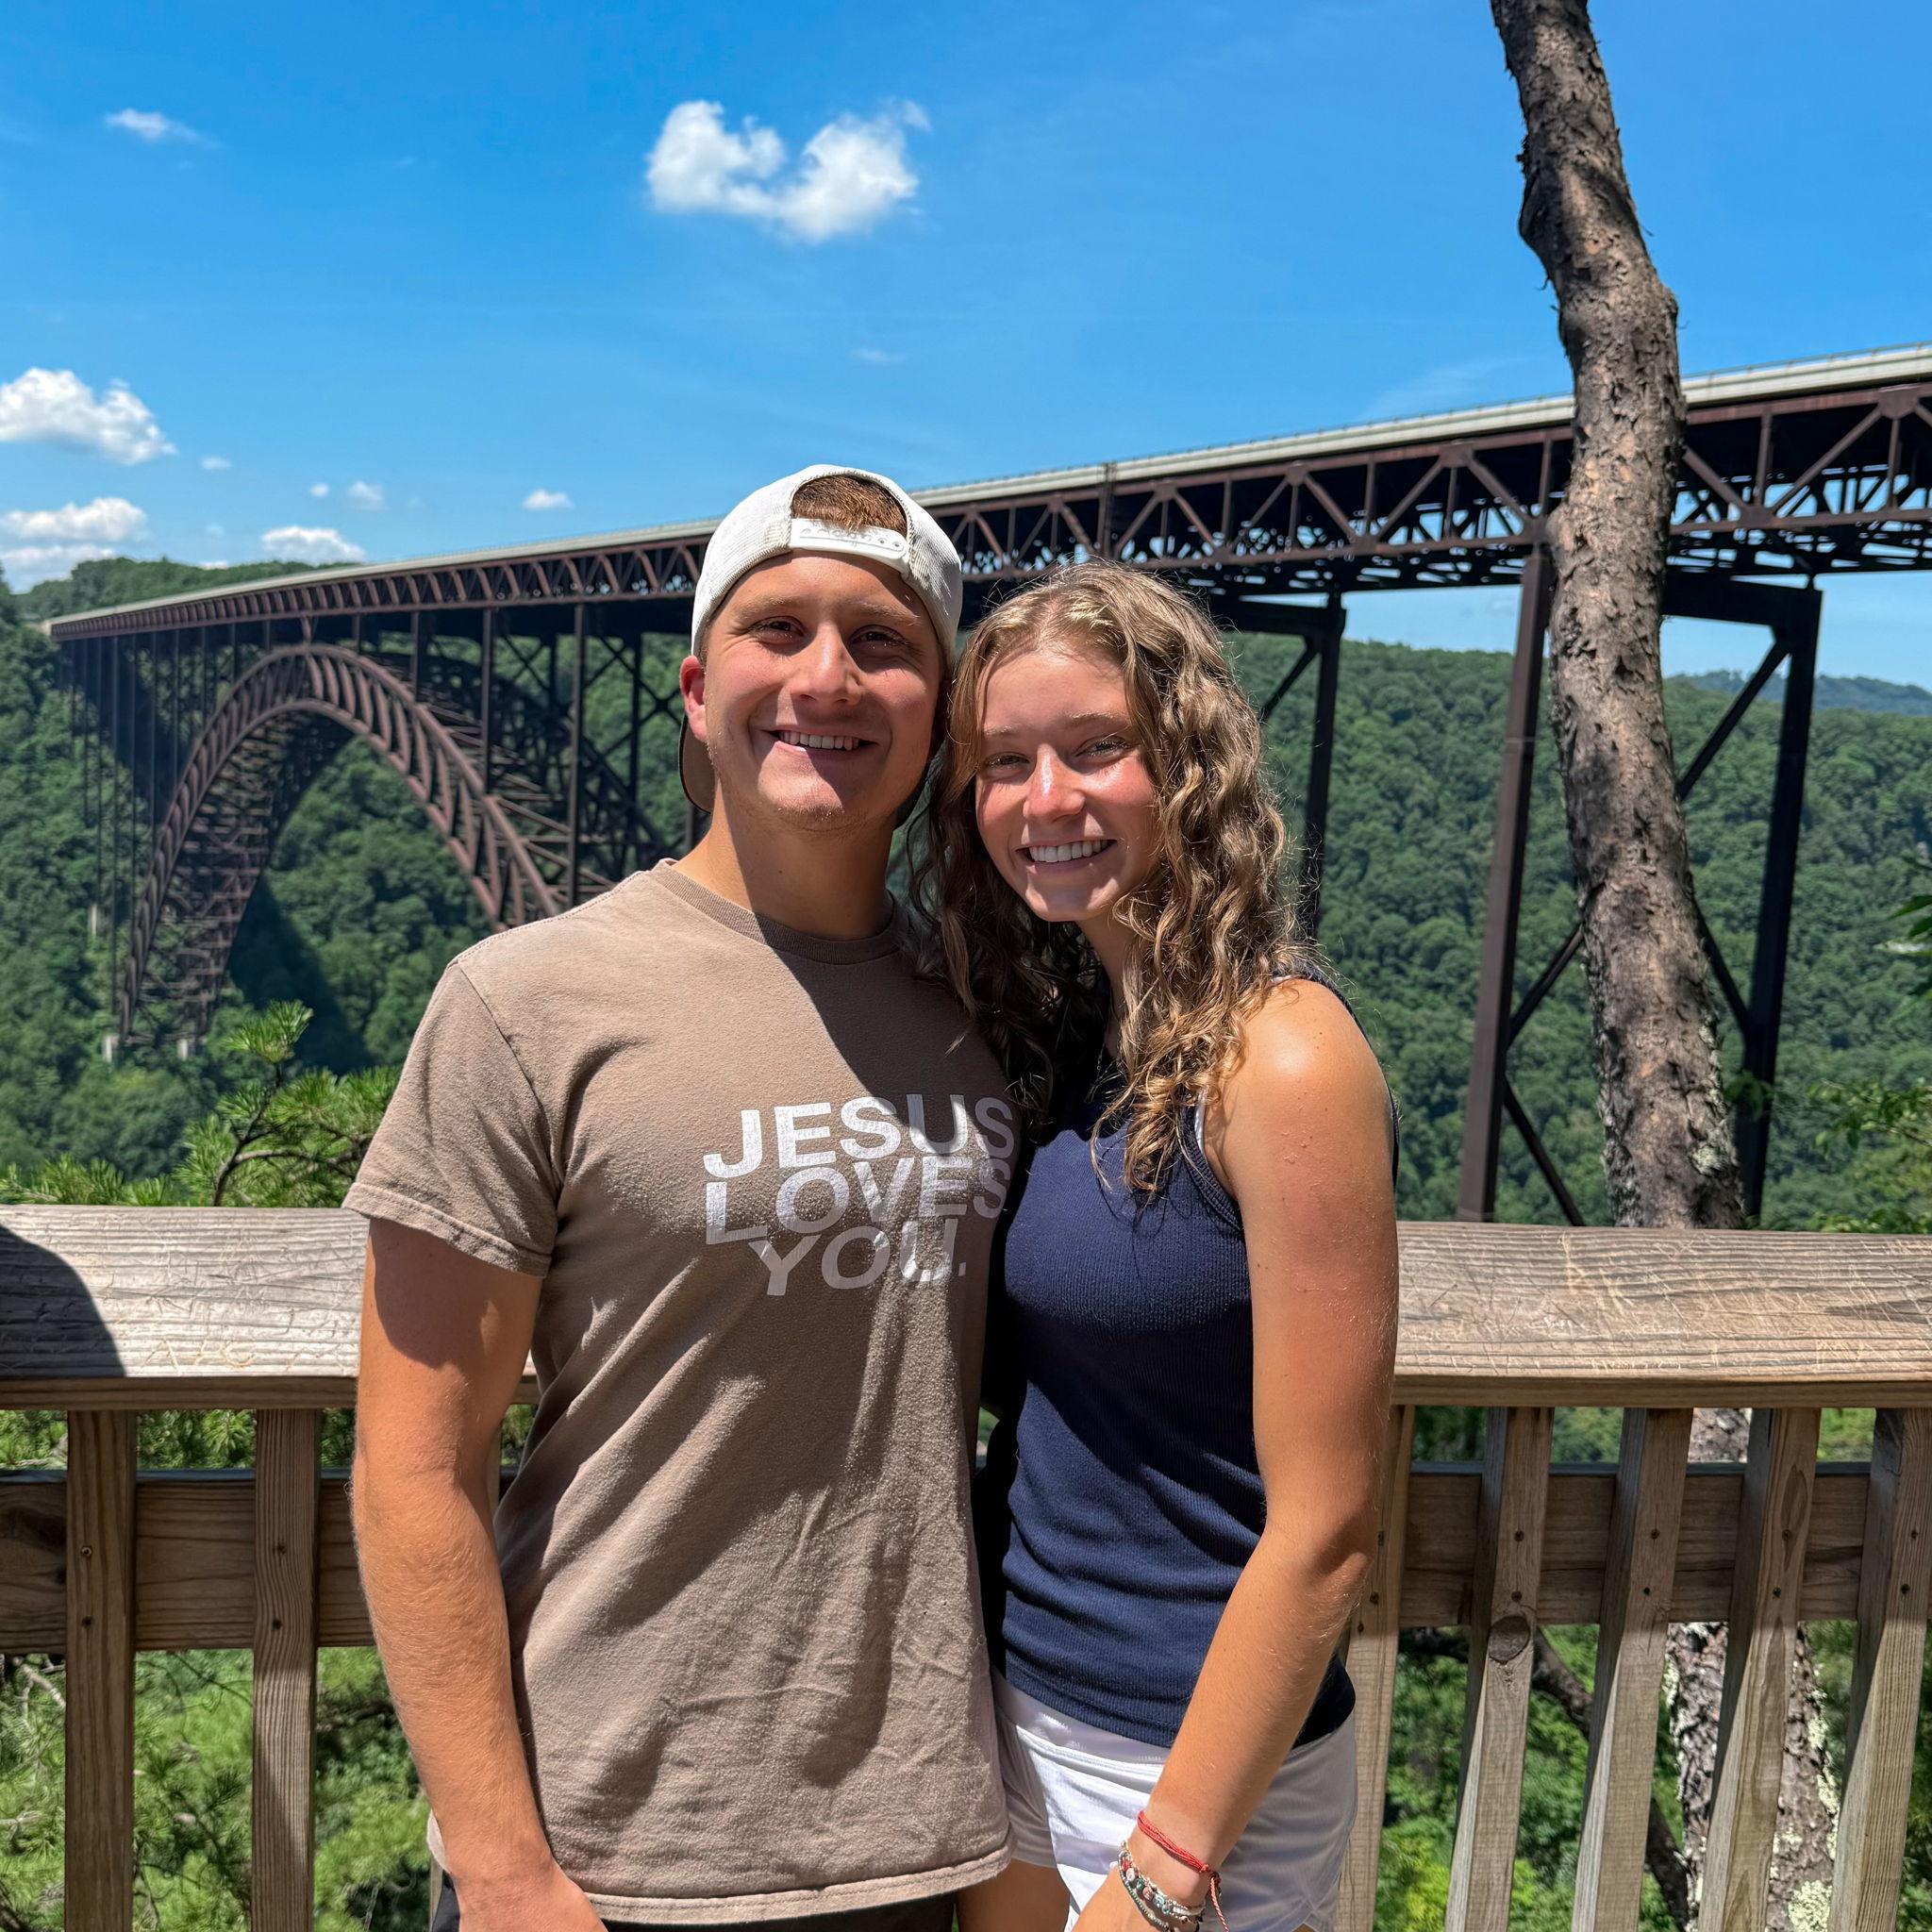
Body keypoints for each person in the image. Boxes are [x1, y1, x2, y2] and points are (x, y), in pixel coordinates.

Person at [345, 464, 1019, 1932]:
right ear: (699, 687)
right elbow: (413, 1471)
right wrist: (508, 1870)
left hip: (918, 1839)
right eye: (780, 630)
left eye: (885, 641)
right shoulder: (523, 1002)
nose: (827, 677)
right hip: (611, 1845)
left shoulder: (992, 1007)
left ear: (940, 712)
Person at [921, 560, 1401, 1932]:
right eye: (1006, 762)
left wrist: (1167, 1864)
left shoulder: (1284, 1059)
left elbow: (1326, 1527)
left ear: (1185, 765)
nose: (1046, 800)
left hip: (1194, 1776)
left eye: (1097, 749)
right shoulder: (1089, 1037)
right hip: (1024, 1713)